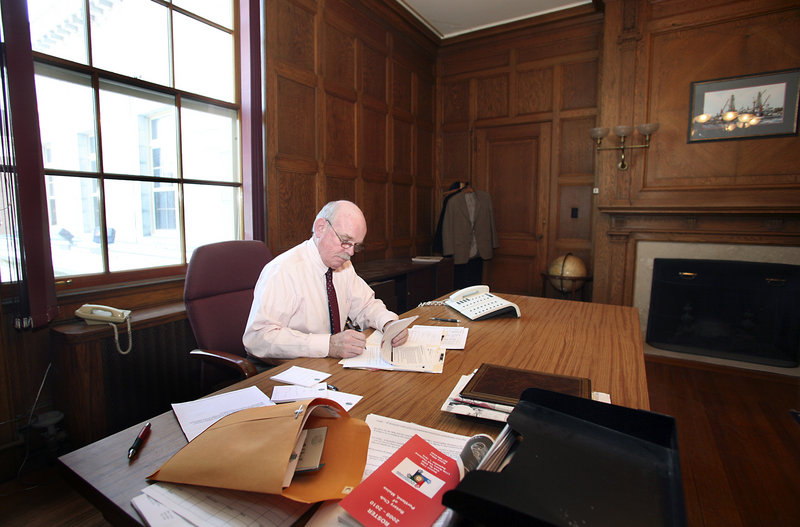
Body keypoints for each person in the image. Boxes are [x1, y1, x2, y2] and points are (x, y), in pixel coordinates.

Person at [243, 200, 409, 361]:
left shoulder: (343, 264)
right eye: (345, 241)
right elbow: (258, 338)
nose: (350, 252)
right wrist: (328, 345)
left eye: (356, 245)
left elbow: (366, 305)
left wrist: (389, 323)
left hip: (328, 364)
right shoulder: (283, 270)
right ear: (320, 228)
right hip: (287, 368)